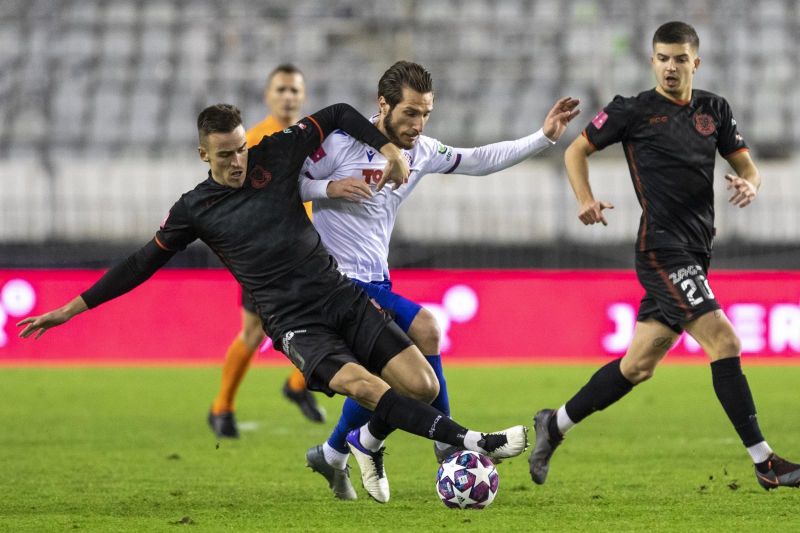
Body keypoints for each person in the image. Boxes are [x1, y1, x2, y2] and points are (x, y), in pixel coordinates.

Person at [17, 101, 529, 498]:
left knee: (419, 383)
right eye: (226, 154)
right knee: (366, 387)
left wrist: (388, 149)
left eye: (241, 148)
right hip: (293, 324)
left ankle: (353, 447)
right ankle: (471, 442)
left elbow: (337, 116)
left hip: (339, 294)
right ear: (203, 155)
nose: (238, 161)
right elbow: (139, 264)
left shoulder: (274, 155)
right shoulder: (194, 209)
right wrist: (72, 308)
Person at [528, 21, 800, 491]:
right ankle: (765, 463)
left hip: (696, 250)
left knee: (637, 365)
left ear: (695, 62)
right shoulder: (632, 111)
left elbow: (747, 166)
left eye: (679, 58)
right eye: (662, 58)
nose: (670, 67)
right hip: (662, 249)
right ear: (652, 61)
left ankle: (553, 426)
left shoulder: (714, 109)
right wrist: (584, 200)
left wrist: (749, 184)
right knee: (726, 342)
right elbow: (576, 151)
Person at [299, 61, 580, 502]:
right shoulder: (339, 144)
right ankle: (449, 445)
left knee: (390, 379)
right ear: (383, 105)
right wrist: (327, 190)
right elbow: (288, 184)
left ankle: (336, 451)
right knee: (426, 329)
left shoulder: (422, 151)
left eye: (426, 113)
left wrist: (542, 136)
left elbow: (478, 160)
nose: (418, 123)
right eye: (410, 113)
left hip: (378, 280)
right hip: (338, 282)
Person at [208, 63, 324, 440]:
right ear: (268, 96)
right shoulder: (254, 140)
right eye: (281, 90)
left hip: (306, 249)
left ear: (303, 96)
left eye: (294, 90)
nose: (288, 96)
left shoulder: (314, 138)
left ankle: (296, 384)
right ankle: (221, 407)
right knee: (253, 333)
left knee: (329, 321)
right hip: (264, 255)